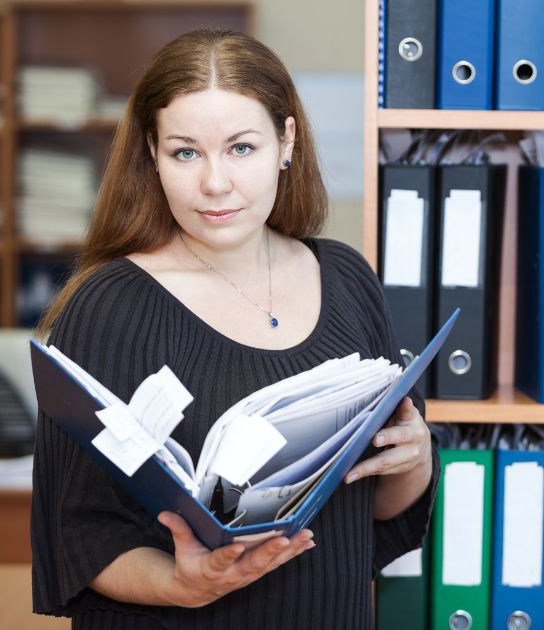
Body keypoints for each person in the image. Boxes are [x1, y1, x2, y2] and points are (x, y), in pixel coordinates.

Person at [31, 29, 439, 629]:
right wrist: (180, 584)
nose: (215, 184)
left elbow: (373, 513)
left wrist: (417, 459)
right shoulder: (106, 306)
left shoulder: (348, 277)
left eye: (241, 148)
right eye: (186, 152)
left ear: (286, 141)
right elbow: (77, 536)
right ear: (152, 152)